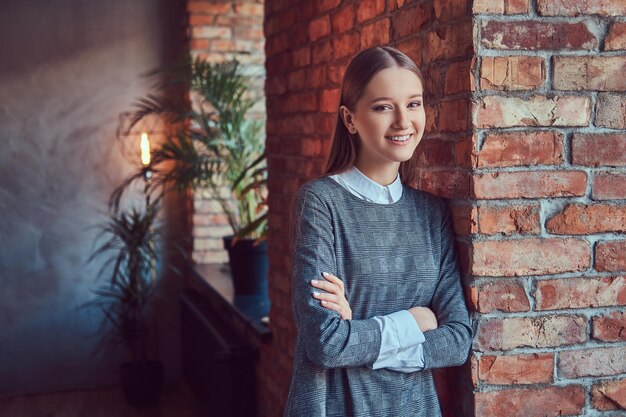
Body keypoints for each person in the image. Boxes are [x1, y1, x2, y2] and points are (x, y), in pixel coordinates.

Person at [285, 46, 473, 417]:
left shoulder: (431, 213)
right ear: (350, 119)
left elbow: (457, 341)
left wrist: (357, 326)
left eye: (414, 103)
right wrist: (416, 321)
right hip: (336, 404)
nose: (403, 121)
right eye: (383, 106)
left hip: (415, 408)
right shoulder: (321, 203)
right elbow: (326, 343)